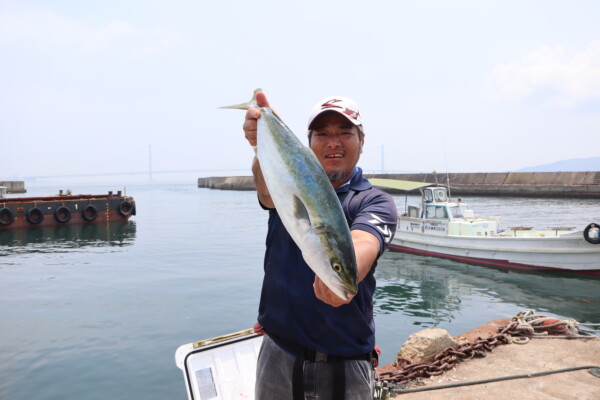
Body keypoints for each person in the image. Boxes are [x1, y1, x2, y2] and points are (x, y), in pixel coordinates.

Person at [243, 91, 398, 400]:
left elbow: (362, 243)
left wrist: (342, 272)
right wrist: (262, 143)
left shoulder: (375, 201)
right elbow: (267, 190)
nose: (333, 142)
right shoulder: (287, 186)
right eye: (323, 134)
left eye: (345, 133)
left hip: (346, 365)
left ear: (362, 141)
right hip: (278, 355)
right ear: (309, 142)